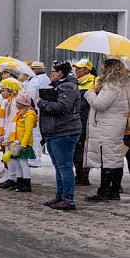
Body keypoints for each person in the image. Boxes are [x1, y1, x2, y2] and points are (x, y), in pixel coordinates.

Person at [82, 57, 130, 202]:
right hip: (117, 125)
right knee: (115, 157)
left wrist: (89, 93)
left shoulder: (111, 86)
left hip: (106, 126)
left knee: (107, 158)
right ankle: (114, 190)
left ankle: (103, 191)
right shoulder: (125, 85)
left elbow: (100, 104)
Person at [39, 61, 83, 211]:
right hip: (55, 131)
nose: (50, 74)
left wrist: (41, 103)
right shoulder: (60, 87)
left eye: (53, 71)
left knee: (64, 167)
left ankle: (68, 199)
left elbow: (63, 107)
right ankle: (60, 195)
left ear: (60, 73)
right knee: (59, 167)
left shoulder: (68, 87)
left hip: (64, 131)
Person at [2, 93, 37, 193]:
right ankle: (20, 182)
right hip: (16, 142)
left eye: (17, 102)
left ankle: (26, 184)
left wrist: (23, 144)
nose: (16, 104)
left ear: (23, 103)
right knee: (17, 163)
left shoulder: (29, 115)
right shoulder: (20, 114)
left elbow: (28, 131)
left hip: (22, 143)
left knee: (23, 163)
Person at [72, 59, 96, 185]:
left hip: (88, 120)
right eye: (75, 68)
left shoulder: (95, 82)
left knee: (85, 148)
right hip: (76, 119)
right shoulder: (75, 83)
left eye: (79, 68)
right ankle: (79, 173)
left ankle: (84, 175)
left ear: (87, 69)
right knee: (77, 147)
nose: (76, 70)